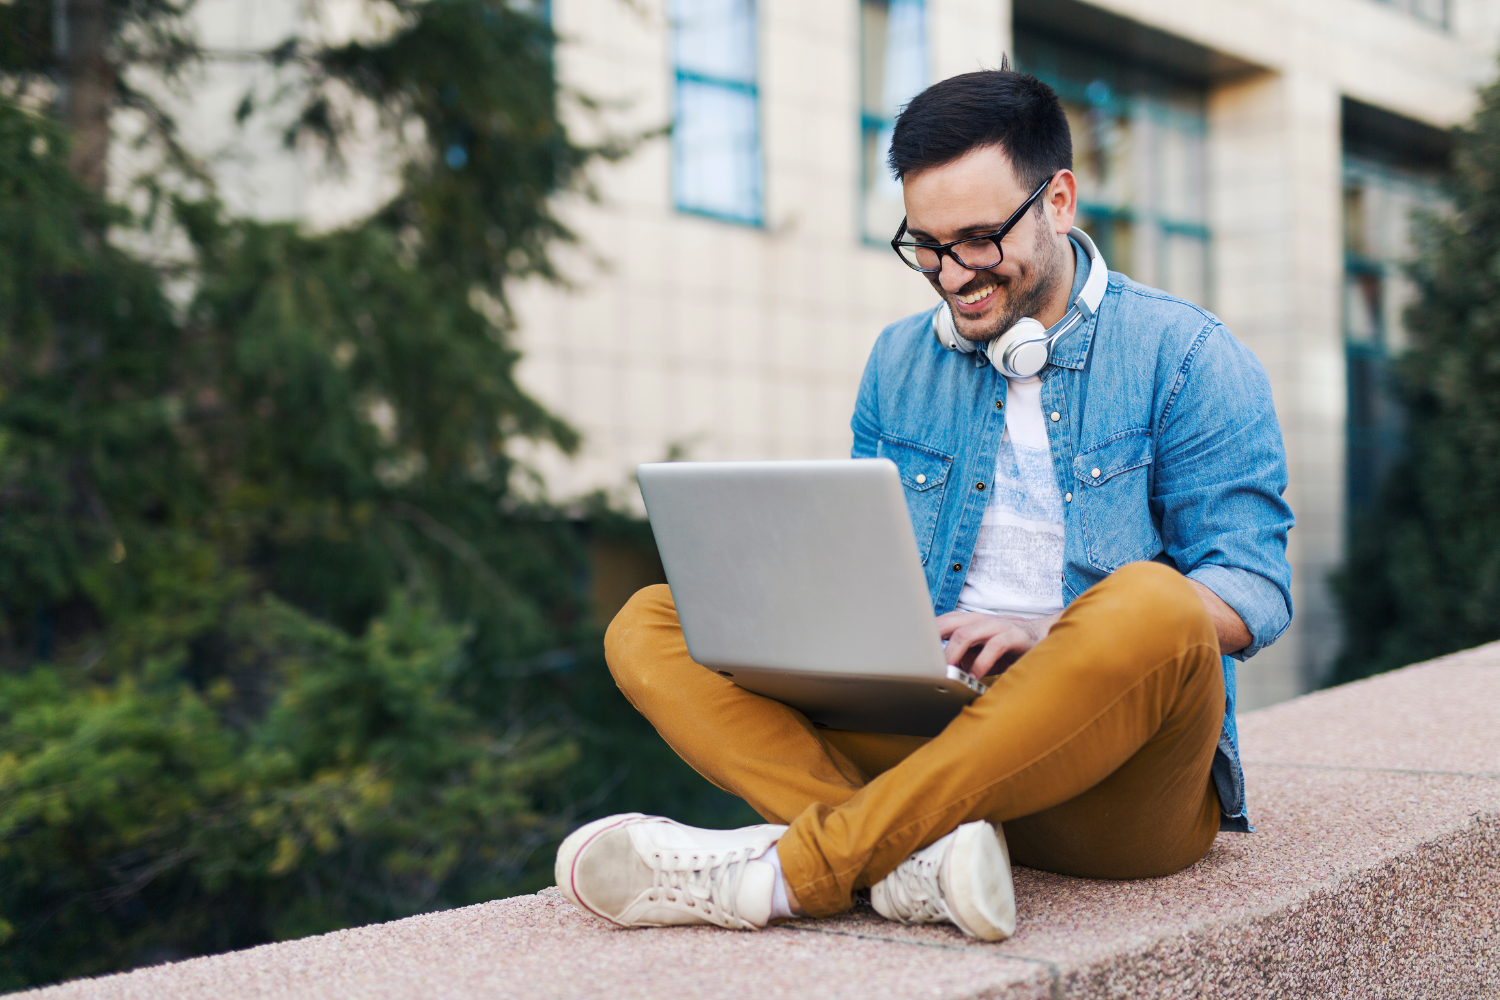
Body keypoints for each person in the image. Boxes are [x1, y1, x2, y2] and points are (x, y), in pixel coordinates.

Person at [554, 67, 1293, 940]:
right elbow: (873, 571)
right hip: (937, 740)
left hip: (1116, 792)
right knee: (650, 620)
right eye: (928, 245)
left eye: (980, 239)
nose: (952, 274)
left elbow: (1255, 591)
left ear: (1058, 201)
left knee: (1150, 600)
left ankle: (798, 870)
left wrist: (1057, 633)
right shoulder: (898, 362)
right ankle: (912, 864)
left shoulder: (1189, 356)